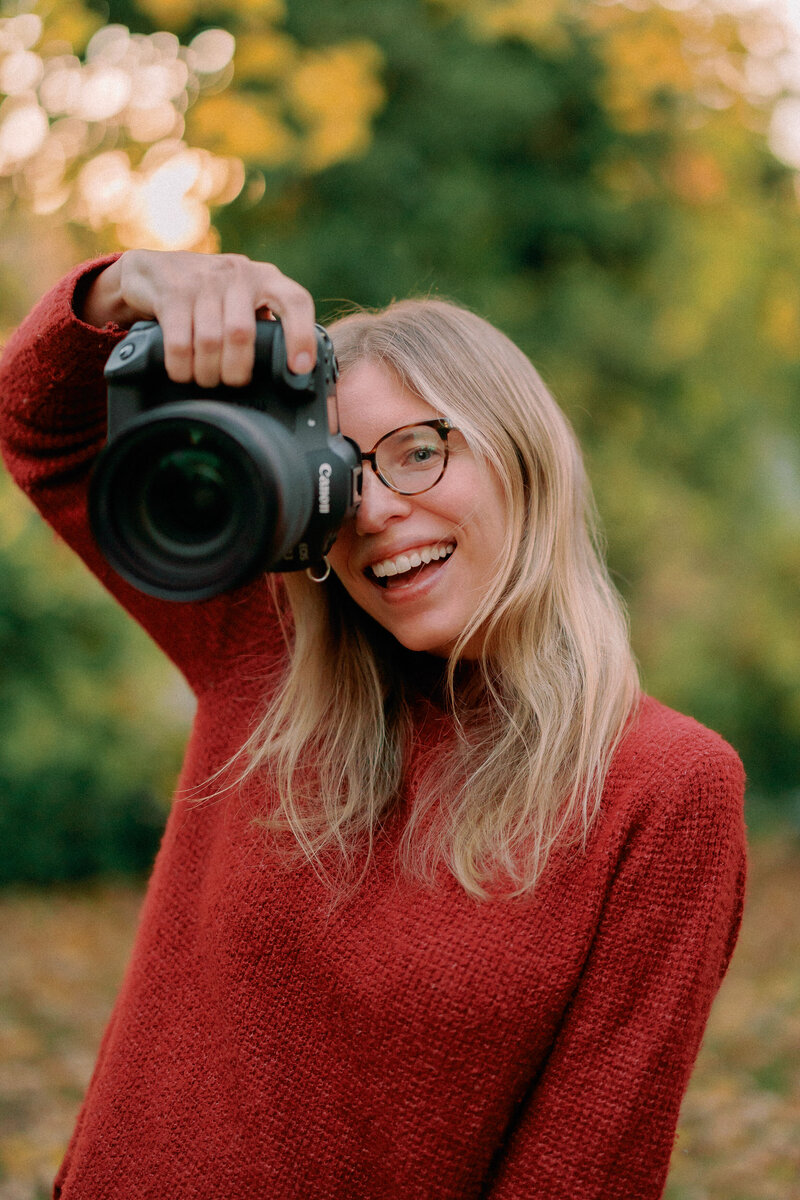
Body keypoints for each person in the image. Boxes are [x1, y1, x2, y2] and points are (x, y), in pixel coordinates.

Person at [0, 250, 747, 1200]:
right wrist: (124, 287)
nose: (378, 511)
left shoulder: (664, 787)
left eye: (420, 451)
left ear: (523, 455)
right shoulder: (266, 659)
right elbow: (44, 430)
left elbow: (583, 1171)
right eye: (339, 472)